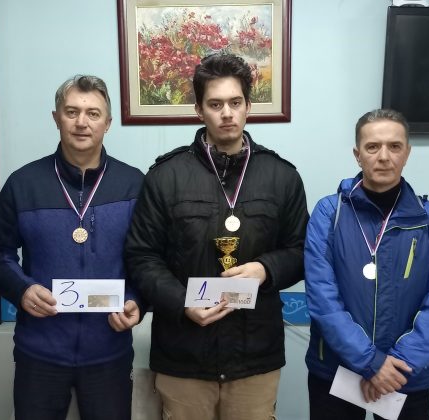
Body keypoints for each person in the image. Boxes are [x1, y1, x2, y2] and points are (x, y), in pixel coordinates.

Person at [124, 53, 308, 420]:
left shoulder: (282, 176)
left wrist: (266, 269)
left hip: (254, 357)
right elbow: (141, 256)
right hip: (184, 355)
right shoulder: (165, 176)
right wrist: (182, 303)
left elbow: (302, 250)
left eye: (235, 103)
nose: (227, 113)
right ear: (198, 109)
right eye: (215, 104)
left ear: (248, 106)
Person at [0, 75, 143, 420]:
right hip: (39, 353)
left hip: (109, 352)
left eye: (93, 113)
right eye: (71, 112)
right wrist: (22, 289)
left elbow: (148, 257)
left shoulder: (134, 184)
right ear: (56, 118)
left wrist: (137, 301)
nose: (82, 122)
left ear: (108, 123)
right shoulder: (23, 184)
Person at [304, 109, 429, 420]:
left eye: (395, 146)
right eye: (373, 147)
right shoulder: (329, 213)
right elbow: (322, 298)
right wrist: (371, 363)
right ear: (357, 154)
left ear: (407, 153)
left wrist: (396, 367)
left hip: (405, 376)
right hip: (337, 372)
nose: (384, 156)